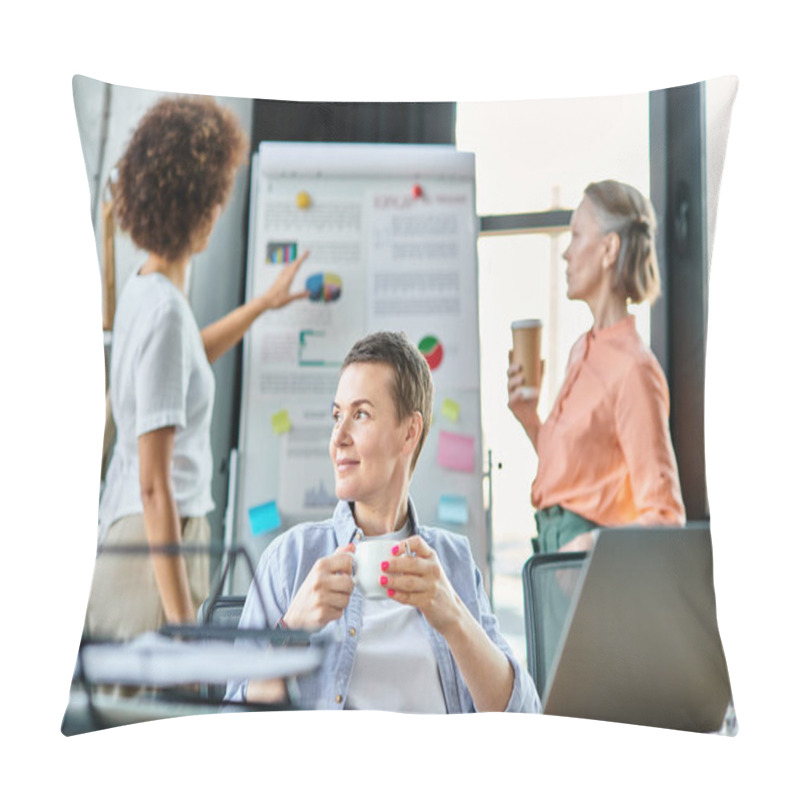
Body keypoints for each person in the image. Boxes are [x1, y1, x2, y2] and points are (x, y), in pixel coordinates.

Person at [85, 96, 310, 647]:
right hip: (153, 549)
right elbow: (155, 484)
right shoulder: (163, 312)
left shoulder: (148, 289)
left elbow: (187, 359)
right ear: (200, 209)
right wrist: (187, 628)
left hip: (141, 538)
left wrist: (262, 306)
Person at [226, 331, 539, 713]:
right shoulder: (291, 558)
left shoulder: (452, 562)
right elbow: (234, 720)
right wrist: (291, 630)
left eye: (360, 415)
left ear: (409, 433)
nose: (338, 437)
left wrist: (453, 616)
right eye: (337, 415)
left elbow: (524, 717)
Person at [507, 179, 686, 555]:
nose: (566, 254)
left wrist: (591, 544)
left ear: (609, 249)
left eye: (576, 235)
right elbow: (574, 482)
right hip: (551, 554)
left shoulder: (635, 369)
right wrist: (529, 417)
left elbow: (666, 516)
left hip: (587, 569)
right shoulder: (580, 350)